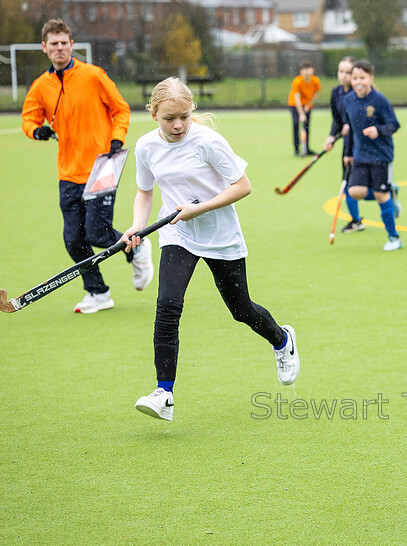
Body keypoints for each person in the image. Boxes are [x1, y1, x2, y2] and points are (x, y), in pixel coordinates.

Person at [122, 78, 299, 422]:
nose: (177, 125)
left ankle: (281, 339)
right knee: (167, 305)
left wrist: (197, 208)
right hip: (179, 234)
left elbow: (243, 186)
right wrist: (136, 226)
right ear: (153, 113)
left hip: (220, 234)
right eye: (169, 118)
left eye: (184, 117)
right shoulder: (145, 147)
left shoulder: (208, 142)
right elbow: (145, 192)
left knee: (241, 310)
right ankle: (164, 393)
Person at [21, 18, 152, 313]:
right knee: (73, 239)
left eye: (64, 43)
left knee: (95, 231)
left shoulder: (93, 75)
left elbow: (120, 109)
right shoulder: (41, 86)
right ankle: (98, 293)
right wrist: (36, 130)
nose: (59, 48)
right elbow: (29, 118)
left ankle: (137, 249)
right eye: (53, 44)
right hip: (68, 172)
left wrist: (117, 138)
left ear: (71, 45)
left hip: (102, 166)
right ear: (44, 47)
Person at [324, 57, 401, 235]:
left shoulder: (379, 100)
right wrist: (348, 153)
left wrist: (378, 130)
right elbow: (350, 128)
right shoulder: (348, 100)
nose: (358, 82)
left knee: (380, 196)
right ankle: (389, 193)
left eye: (362, 78)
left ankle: (394, 237)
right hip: (360, 155)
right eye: (355, 78)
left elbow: (394, 124)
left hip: (381, 155)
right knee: (354, 191)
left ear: (371, 78)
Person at [288, 61, 321, 156]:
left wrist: (308, 105)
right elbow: (297, 99)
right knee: (295, 124)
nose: (307, 71)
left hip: (307, 106)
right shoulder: (297, 82)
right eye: (304, 69)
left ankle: (307, 148)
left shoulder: (315, 81)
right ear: (301, 71)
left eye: (308, 69)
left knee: (306, 126)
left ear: (313, 70)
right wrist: (301, 114)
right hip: (295, 105)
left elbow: (316, 94)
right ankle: (296, 149)